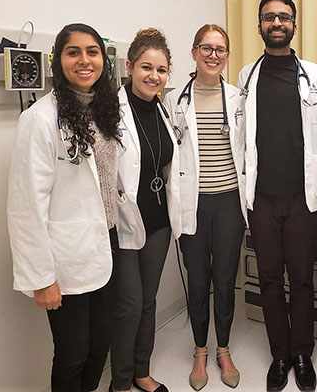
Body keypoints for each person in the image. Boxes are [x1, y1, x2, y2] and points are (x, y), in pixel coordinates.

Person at [7, 23, 127, 392]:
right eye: (73, 52)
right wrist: (41, 278)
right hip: (65, 257)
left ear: (103, 61)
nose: (84, 60)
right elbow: (26, 205)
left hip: (107, 243)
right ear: (58, 62)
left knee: (100, 345)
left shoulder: (105, 111)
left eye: (92, 52)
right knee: (72, 352)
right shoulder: (41, 119)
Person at [237, 0, 317, 392]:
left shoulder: (314, 75)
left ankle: (303, 354)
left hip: (303, 198)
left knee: (303, 279)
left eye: (284, 17)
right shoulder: (246, 75)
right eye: (269, 17)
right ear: (259, 25)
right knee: (271, 279)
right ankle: (279, 355)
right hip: (262, 199)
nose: (277, 23)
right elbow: (240, 137)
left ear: (294, 24)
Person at [165, 24, 246, 391]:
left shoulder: (239, 99)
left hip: (230, 201)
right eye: (206, 48)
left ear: (227, 55)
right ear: (194, 52)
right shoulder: (174, 101)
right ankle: (200, 350)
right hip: (193, 204)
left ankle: (223, 349)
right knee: (198, 281)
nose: (214, 55)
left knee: (226, 280)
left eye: (221, 49)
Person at [110, 28, 178, 392]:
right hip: (124, 223)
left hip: (158, 223)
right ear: (129, 66)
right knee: (129, 305)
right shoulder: (110, 111)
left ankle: (141, 371)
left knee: (148, 301)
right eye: (146, 67)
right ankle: (120, 382)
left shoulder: (162, 111)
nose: (154, 76)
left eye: (162, 70)